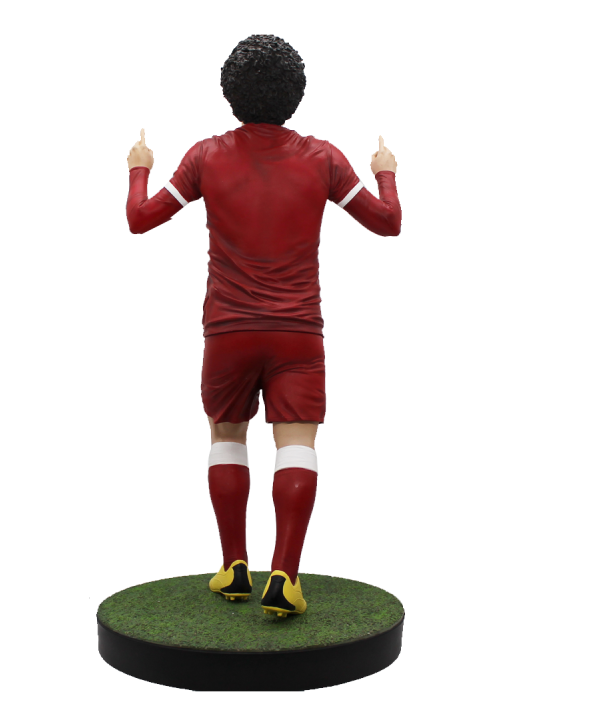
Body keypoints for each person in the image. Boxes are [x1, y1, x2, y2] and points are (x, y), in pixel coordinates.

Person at [124, 34, 401, 617]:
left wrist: (139, 168)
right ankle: (285, 577)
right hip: (297, 333)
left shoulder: (205, 156)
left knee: (226, 436)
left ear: (230, 92)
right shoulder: (324, 158)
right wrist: (385, 173)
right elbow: (388, 222)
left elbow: (140, 218)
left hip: (228, 331)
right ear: (296, 92)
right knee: (296, 445)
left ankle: (233, 567)